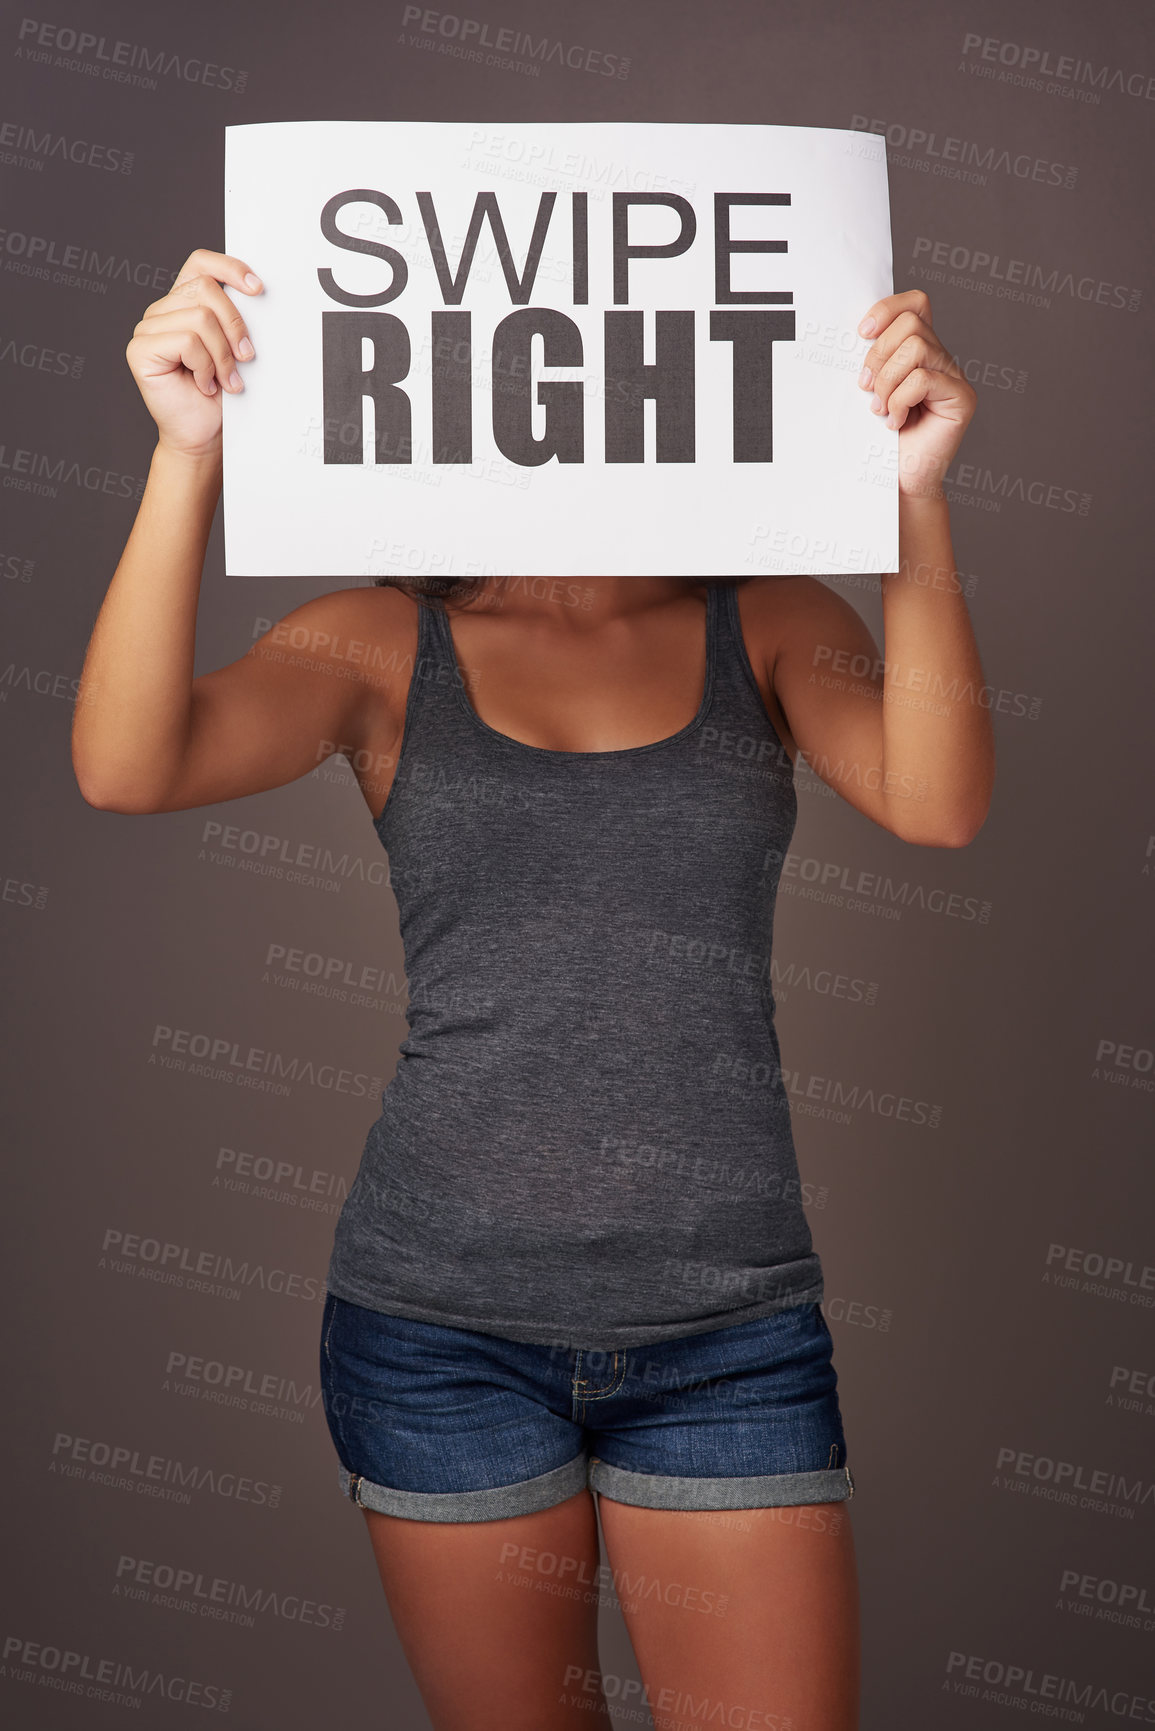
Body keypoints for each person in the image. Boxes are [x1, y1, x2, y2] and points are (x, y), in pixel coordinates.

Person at [73, 246, 993, 1731]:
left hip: (728, 1330)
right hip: (438, 1330)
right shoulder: (381, 638)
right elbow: (127, 767)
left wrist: (916, 497)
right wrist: (187, 459)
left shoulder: (768, 617)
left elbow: (939, 802)